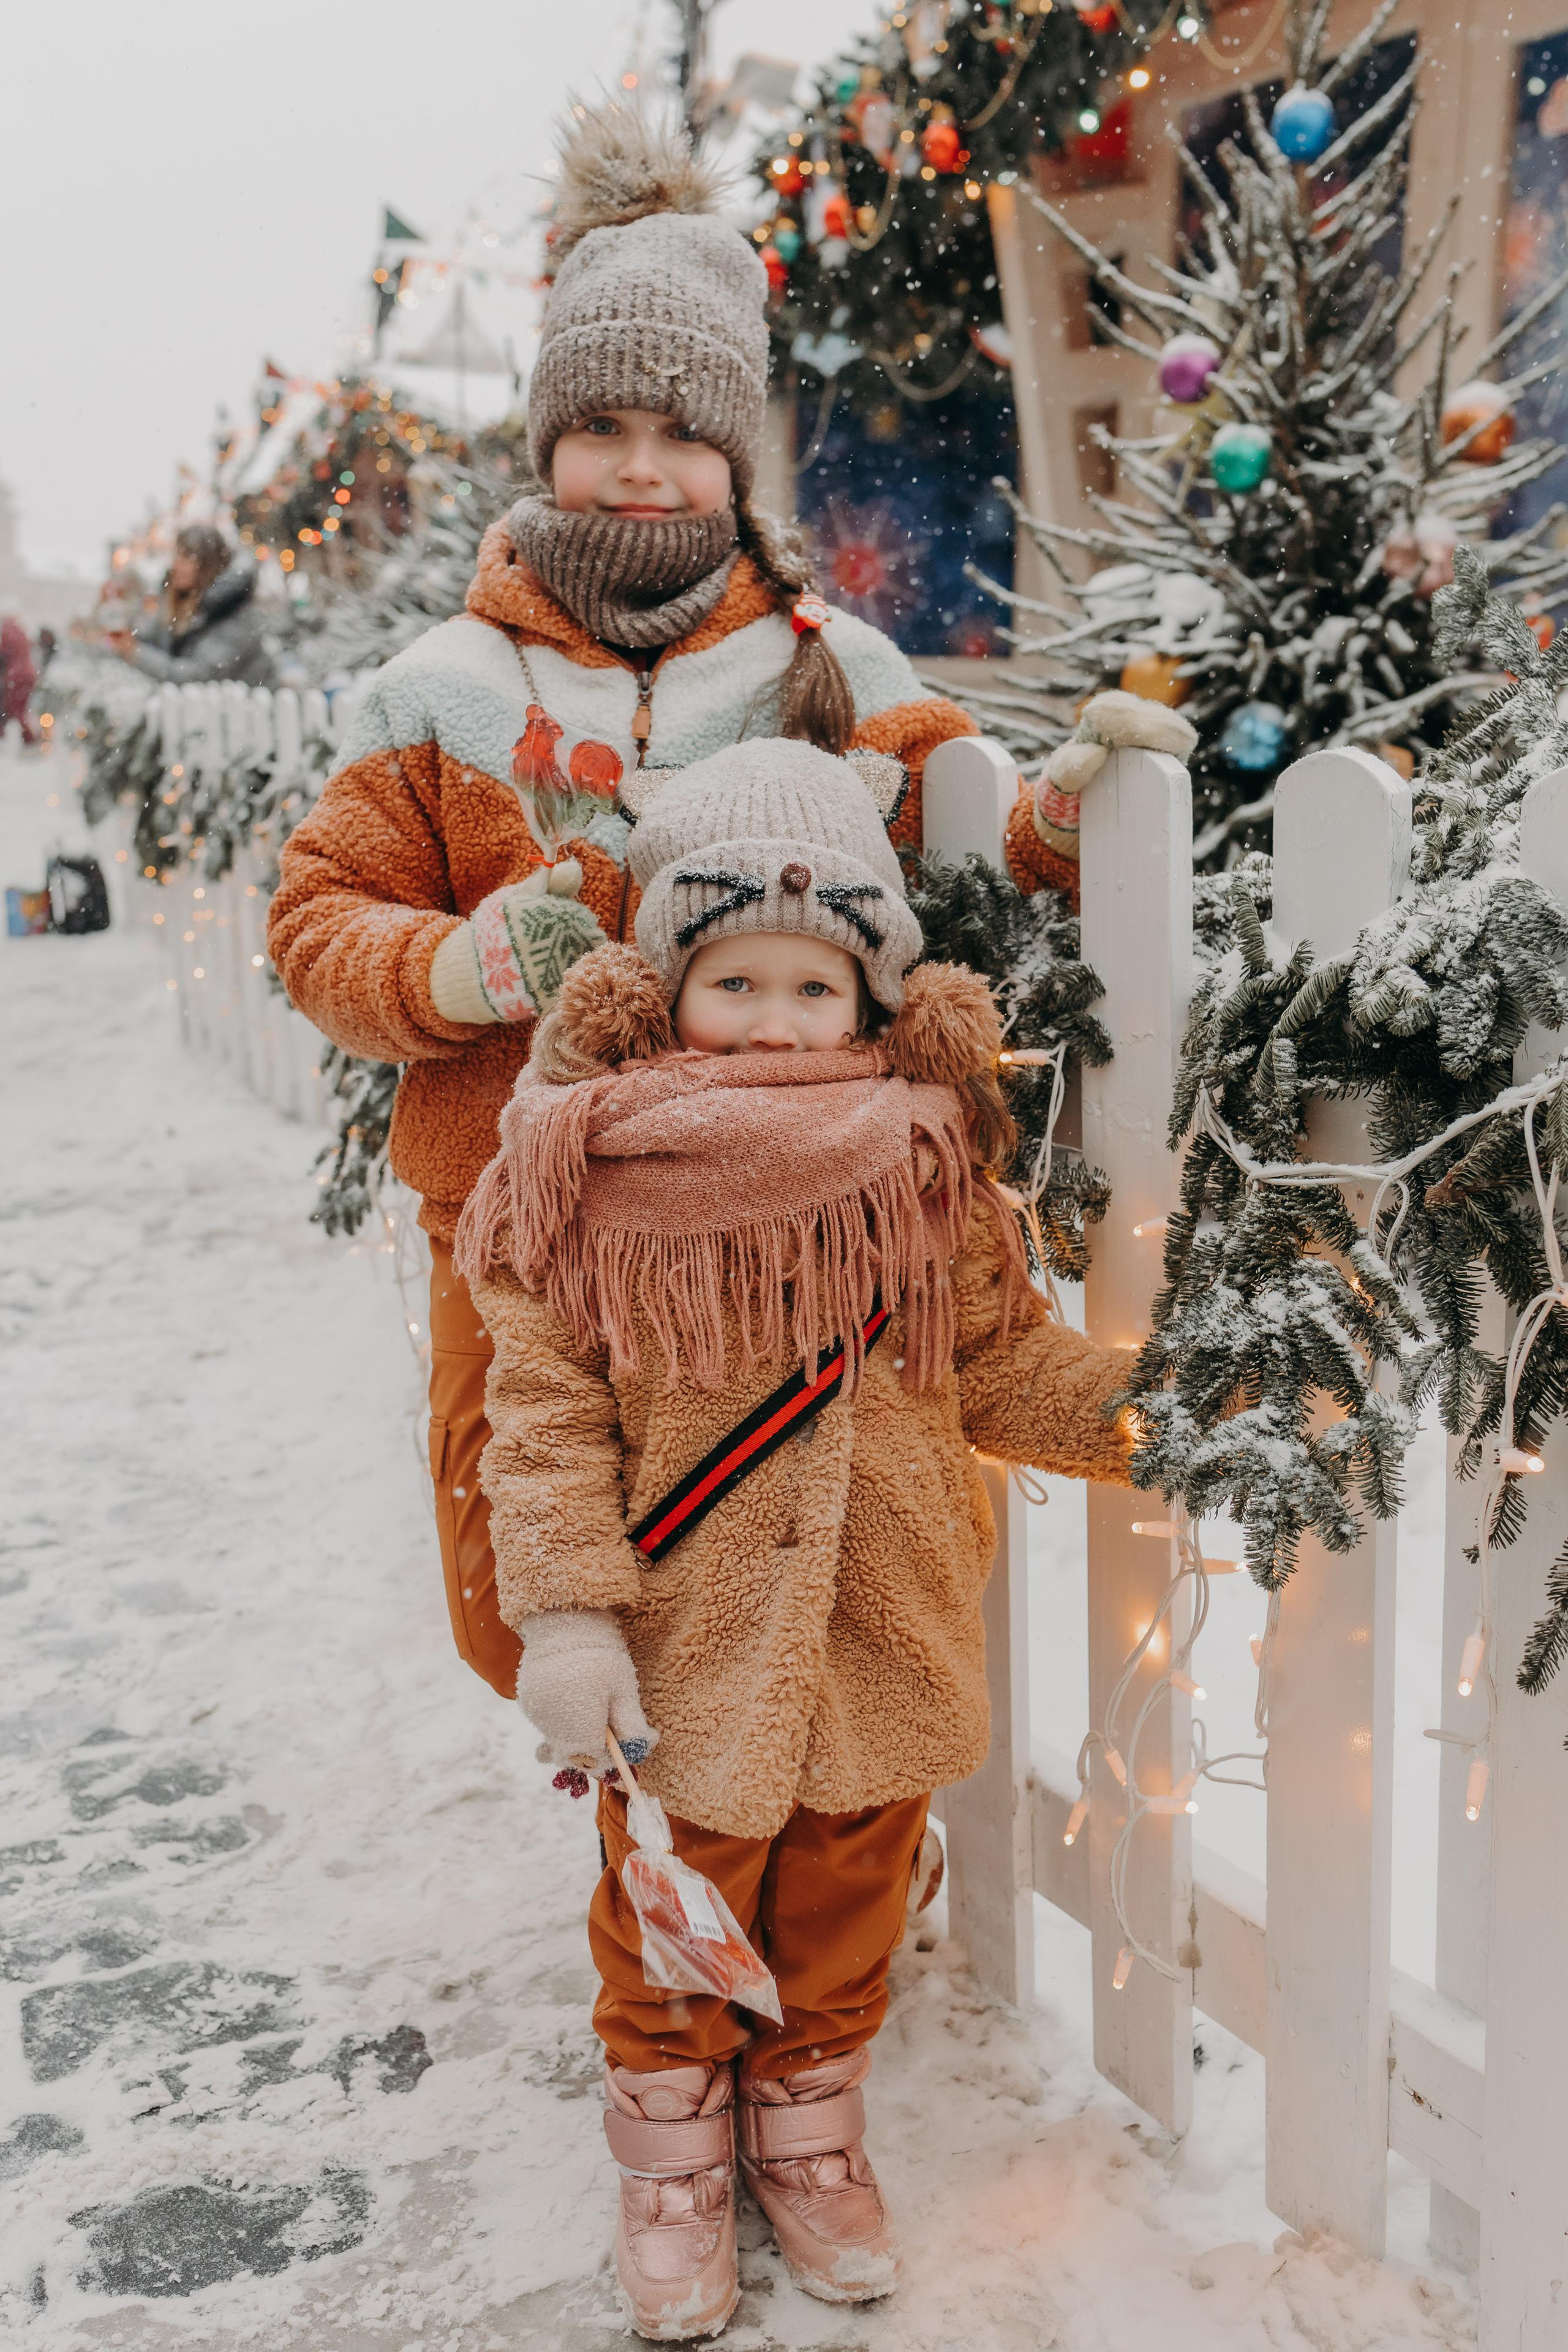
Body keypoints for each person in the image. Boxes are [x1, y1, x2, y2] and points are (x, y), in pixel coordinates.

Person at [266, 104, 989, 1702]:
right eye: (604, 427)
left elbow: (964, 822)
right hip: (511, 1221)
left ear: (735, 453)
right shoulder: (447, 690)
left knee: (754, 1574)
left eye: (685, 430)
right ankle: (671, 1867)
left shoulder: (826, 666)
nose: (644, 468)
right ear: (547, 445)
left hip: (771, 1201)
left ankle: (745, 1876)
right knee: (514, 1597)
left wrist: (1076, 814)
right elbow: (319, 920)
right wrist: (454, 967)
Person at [454, 738, 1136, 2341]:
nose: (772, 1019)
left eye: (812, 988)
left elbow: (998, 1362)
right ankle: (676, 2160)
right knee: (673, 1914)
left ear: (874, 996)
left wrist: (1167, 1414)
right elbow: (545, 1424)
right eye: (733, 979)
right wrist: (567, 1619)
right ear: (663, 984)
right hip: (687, 1644)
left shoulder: (926, 1164)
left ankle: (810, 2124)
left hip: (885, 1619)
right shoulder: (582, 1172)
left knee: (843, 1896)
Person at [107, 522, 275, 687]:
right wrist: (123, 634)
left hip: (244, 710)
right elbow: (154, 639)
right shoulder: (183, 604)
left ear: (207, 566)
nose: (176, 565)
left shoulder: (234, 616)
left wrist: (136, 653)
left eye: (186, 557)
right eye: (177, 555)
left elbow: (199, 676)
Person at [0, 610, 39, 744]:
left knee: (13, 709)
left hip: (16, 676)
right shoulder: (21, 631)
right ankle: (30, 738)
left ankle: (30, 739)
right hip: (28, 674)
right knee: (21, 709)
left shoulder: (6, 631)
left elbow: (3, 652)